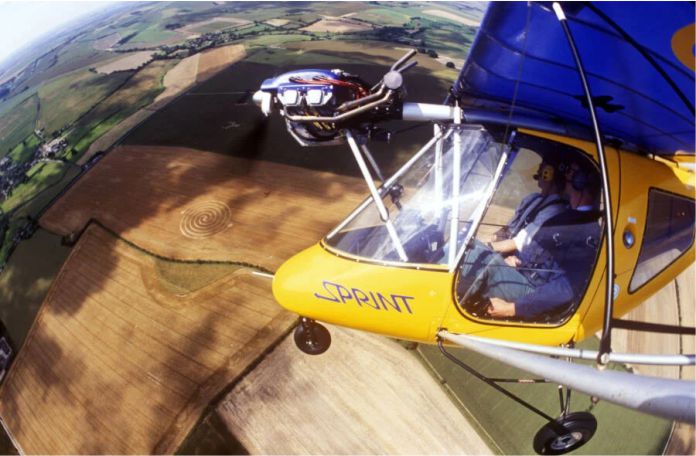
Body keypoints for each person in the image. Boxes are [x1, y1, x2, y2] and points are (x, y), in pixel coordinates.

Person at [484, 158, 601, 319]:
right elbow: (535, 250)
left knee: (476, 257)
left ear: (579, 181)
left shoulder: (588, 231)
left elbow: (567, 287)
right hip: (521, 274)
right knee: (473, 249)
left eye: (570, 172)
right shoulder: (564, 216)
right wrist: (514, 260)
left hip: (532, 291)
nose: (564, 176)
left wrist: (514, 308)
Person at [489, 158, 568, 259]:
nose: (538, 170)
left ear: (548, 174)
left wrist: (489, 246)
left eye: (542, 167)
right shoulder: (533, 198)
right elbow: (510, 228)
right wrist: (496, 236)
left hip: (517, 258)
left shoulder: (555, 210)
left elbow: (519, 243)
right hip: (506, 248)